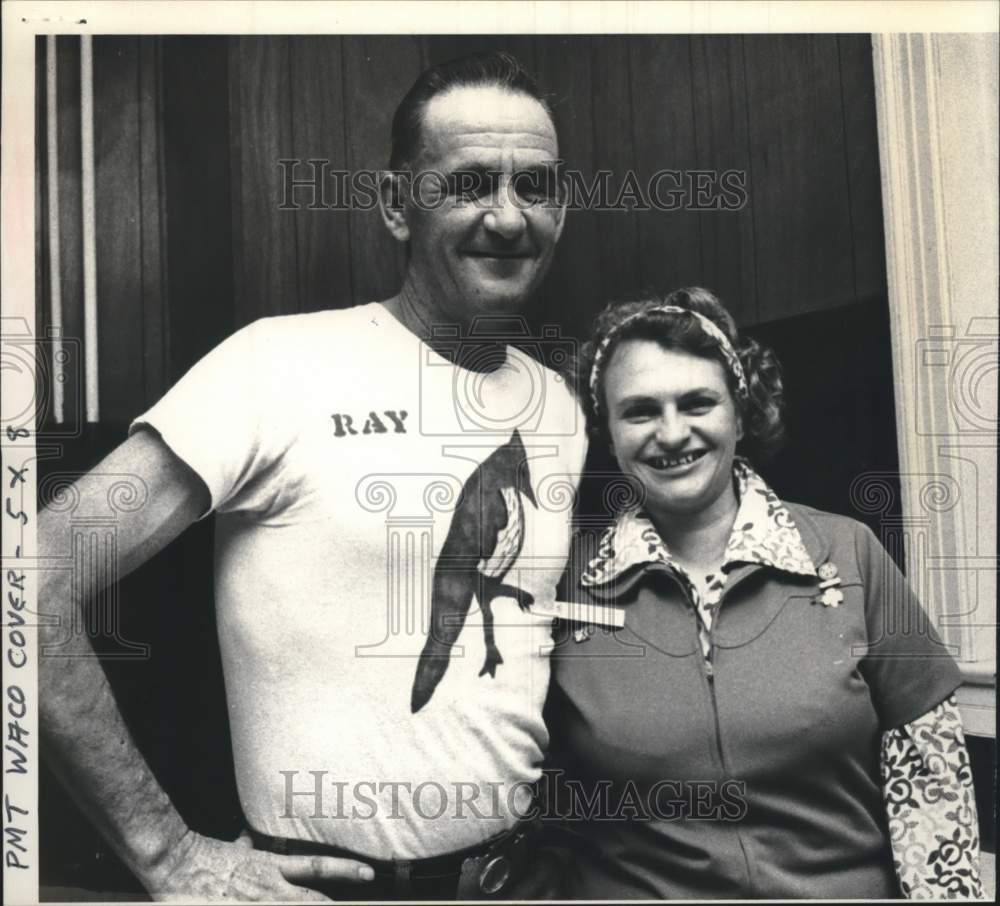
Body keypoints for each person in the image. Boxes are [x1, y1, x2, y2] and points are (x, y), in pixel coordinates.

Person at [39, 52, 586, 901]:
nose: (508, 217)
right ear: (396, 205)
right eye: (470, 183)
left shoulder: (559, 406)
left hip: (525, 880)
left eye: (536, 187)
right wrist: (168, 855)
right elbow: (28, 579)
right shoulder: (276, 366)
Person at [542, 287, 983, 899]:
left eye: (697, 403)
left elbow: (932, 785)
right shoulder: (562, 585)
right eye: (640, 412)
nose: (672, 433)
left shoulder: (848, 552)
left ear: (741, 412)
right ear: (606, 433)